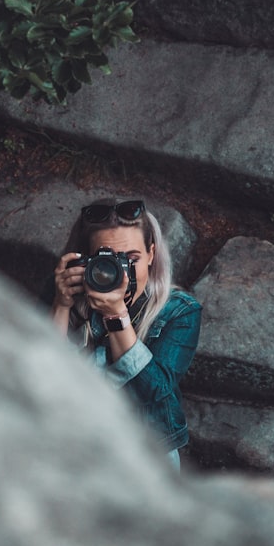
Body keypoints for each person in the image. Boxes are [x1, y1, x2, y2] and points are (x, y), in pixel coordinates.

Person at [50, 199, 202, 471]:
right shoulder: (66, 292)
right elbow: (39, 371)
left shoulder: (179, 312)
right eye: (106, 260)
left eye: (131, 259)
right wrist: (61, 305)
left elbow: (156, 391)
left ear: (152, 254)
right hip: (71, 447)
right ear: (85, 259)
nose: (121, 272)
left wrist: (116, 315)